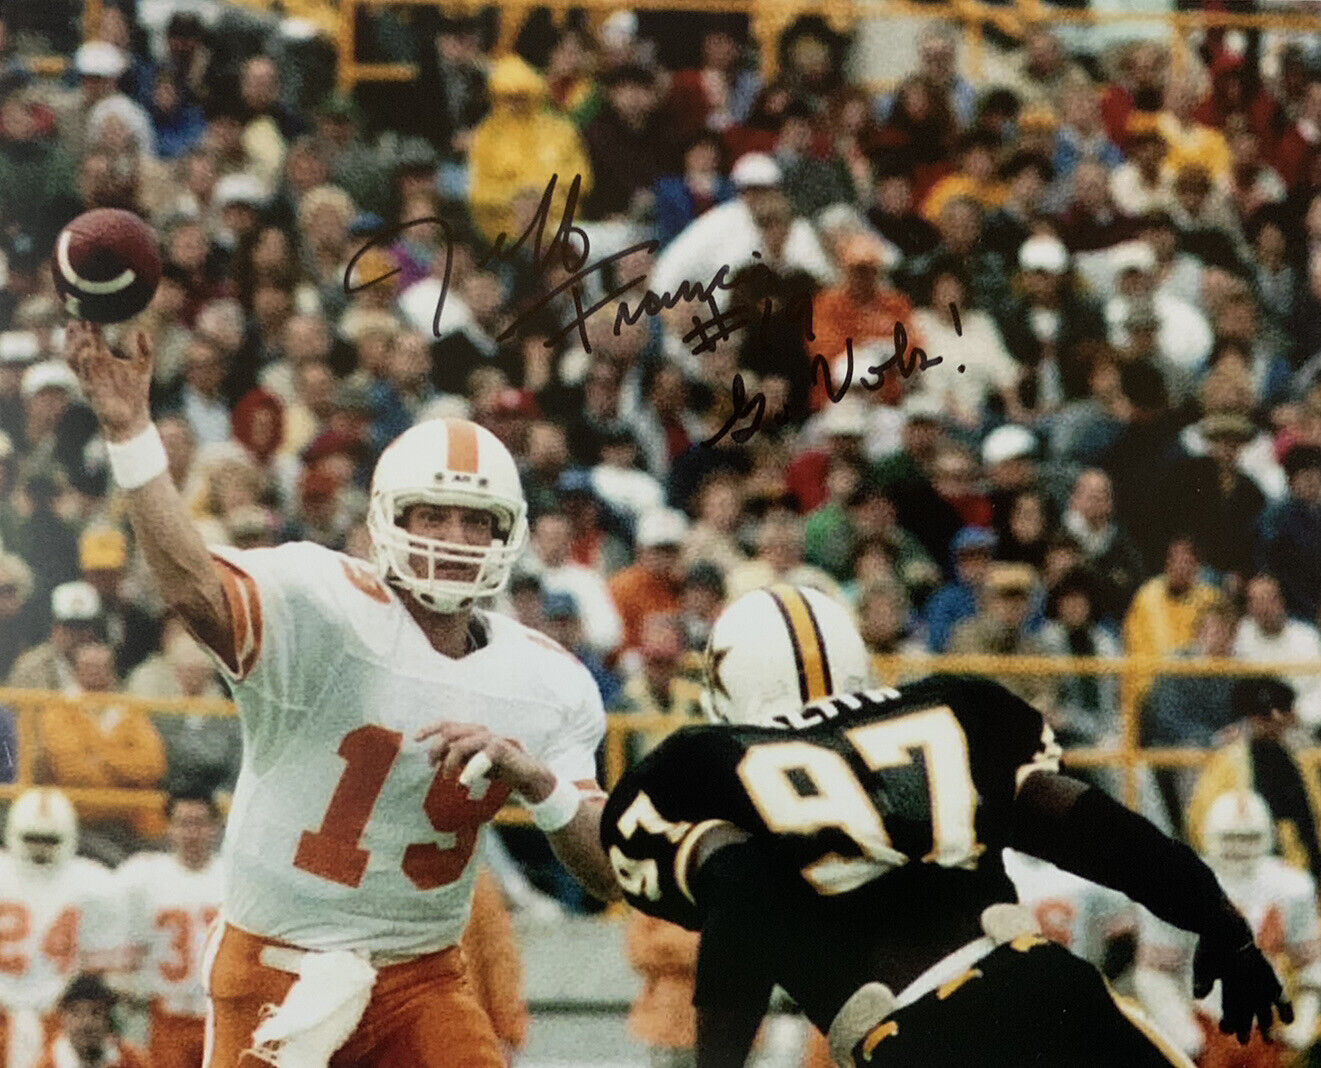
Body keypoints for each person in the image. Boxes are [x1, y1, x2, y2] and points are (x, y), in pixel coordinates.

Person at [65, 322, 619, 1068]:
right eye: (432, 515)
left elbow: (610, 868)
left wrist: (540, 784)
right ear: (387, 519)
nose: (453, 539)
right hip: (274, 967)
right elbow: (193, 589)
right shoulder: (325, 604)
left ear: (507, 535)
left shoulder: (546, 677)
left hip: (418, 975)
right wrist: (132, 434)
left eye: (474, 521)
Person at [601, 584, 1290, 1067]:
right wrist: (1218, 921)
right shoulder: (948, 708)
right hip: (1049, 991)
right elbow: (1084, 821)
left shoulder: (699, 761)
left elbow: (744, 892)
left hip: (915, 1036)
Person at [1135, 791, 1321, 1065]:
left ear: (1268, 837)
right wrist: (1186, 1035)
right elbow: (1154, 974)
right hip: (1203, 1021)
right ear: (1209, 835)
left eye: (1250, 838)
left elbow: (1311, 963)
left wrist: (1304, 1020)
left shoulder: (1292, 887)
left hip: (1266, 1028)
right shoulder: (1181, 887)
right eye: (1231, 838)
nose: (1240, 848)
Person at [0, 789, 122, 1068]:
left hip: (61, 1012)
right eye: (32, 838)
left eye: (49, 839)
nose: (40, 848)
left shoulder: (92, 881)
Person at [117, 787, 225, 1068]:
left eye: (199, 823)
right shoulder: (145, 875)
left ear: (215, 827)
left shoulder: (232, 878)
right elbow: (129, 952)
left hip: (221, 1016)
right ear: (169, 828)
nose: (191, 833)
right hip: (166, 1013)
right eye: (182, 823)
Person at [35, 973, 151, 1068]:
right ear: (63, 1018)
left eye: (95, 1012)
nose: (86, 1022)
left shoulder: (132, 1059)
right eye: (76, 1013)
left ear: (107, 1019)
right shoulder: (48, 1064)